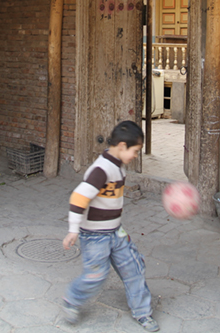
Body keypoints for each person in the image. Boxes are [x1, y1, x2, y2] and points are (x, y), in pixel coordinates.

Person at [61, 120, 159, 332]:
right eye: (135, 150)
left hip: (115, 232)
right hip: (95, 236)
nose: (136, 156)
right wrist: (73, 229)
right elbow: (78, 198)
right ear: (122, 146)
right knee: (95, 276)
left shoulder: (117, 165)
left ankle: (143, 312)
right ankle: (72, 299)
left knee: (135, 268)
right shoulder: (101, 169)